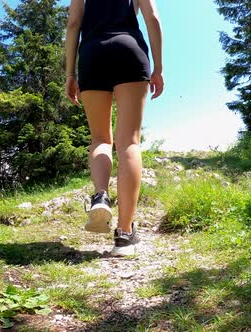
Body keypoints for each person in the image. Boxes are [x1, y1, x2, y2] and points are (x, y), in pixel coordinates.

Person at [65, 0, 164, 256]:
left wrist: (70, 75)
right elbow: (152, 17)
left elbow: (73, 23)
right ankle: (124, 234)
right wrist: (158, 69)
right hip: (128, 50)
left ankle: (100, 196)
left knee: (100, 139)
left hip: (92, 54)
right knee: (129, 142)